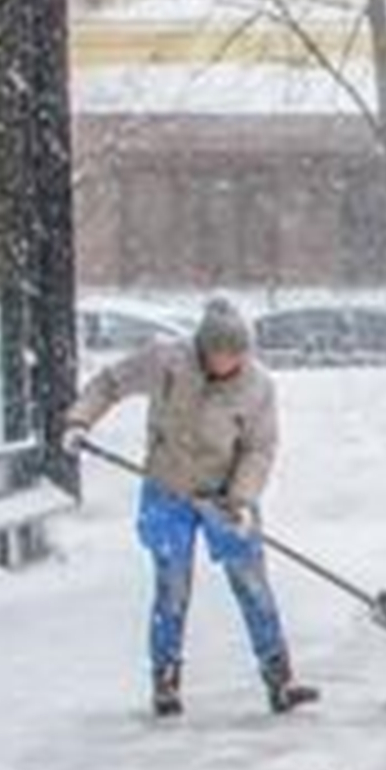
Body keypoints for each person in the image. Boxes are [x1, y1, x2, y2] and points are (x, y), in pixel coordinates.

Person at [64, 297, 316, 718]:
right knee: (172, 587)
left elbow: (260, 449)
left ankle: (280, 679)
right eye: (222, 354)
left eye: (238, 355)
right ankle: (165, 681)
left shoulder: (257, 386)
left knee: (252, 584)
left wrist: (240, 498)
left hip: (224, 498)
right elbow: (109, 383)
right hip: (168, 491)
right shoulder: (166, 361)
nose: (230, 363)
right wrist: (79, 421)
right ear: (204, 348)